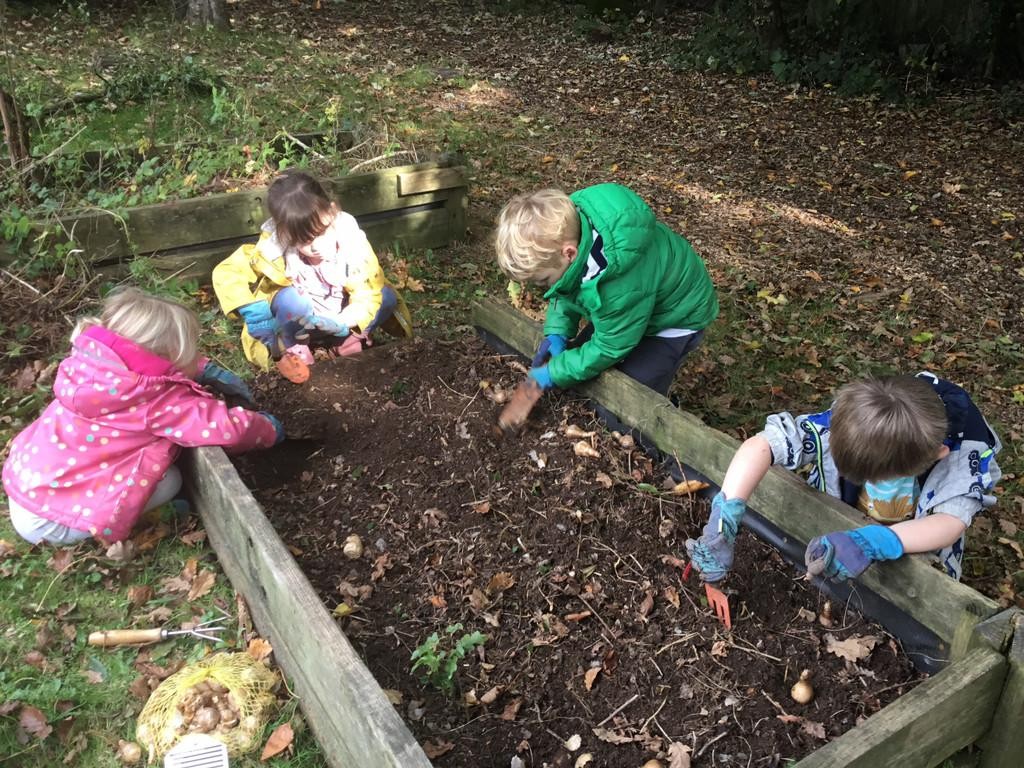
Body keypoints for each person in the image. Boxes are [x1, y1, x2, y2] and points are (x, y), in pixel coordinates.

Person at [2, 288, 284, 546]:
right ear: (164, 357)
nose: (196, 354)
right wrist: (268, 429)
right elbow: (224, 427)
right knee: (171, 480)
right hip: (53, 522)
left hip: (27, 487)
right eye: (191, 351)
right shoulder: (157, 402)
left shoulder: (89, 369)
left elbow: (145, 362)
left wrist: (197, 368)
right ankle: (157, 515)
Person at [686, 373, 1001, 583]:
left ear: (937, 455)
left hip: (916, 533)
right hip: (845, 513)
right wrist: (724, 516)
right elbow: (761, 446)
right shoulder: (853, 421)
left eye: (883, 479)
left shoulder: (963, 456)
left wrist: (875, 542)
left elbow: (948, 523)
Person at [493, 184, 718, 411]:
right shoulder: (572, 233)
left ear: (569, 253)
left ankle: (659, 424)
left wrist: (552, 373)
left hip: (676, 315)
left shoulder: (618, 285)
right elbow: (567, 285)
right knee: (582, 363)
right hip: (635, 304)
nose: (543, 288)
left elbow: (609, 346)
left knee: (633, 396)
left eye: (543, 280)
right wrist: (557, 331)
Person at [211, 171, 412, 378]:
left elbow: (368, 292)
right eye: (304, 241)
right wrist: (250, 309)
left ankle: (347, 341)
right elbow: (227, 272)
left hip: (342, 320)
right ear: (285, 234)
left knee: (385, 297)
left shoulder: (351, 243)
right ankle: (297, 349)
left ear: (332, 212)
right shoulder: (272, 250)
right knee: (289, 299)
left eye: (321, 233)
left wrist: (344, 322)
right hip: (300, 323)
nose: (316, 247)